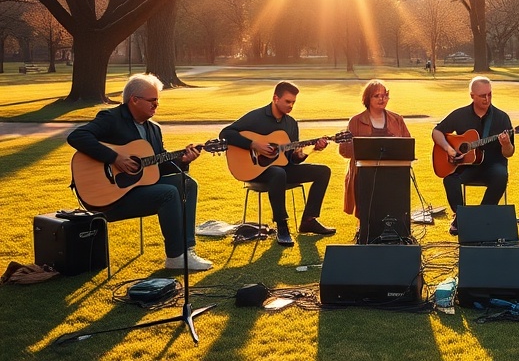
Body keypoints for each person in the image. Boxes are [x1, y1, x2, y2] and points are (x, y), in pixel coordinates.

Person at [66, 74, 213, 271]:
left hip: (136, 190)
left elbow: (155, 166)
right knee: (168, 193)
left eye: (158, 101)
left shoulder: (154, 129)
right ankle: (176, 257)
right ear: (134, 100)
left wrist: (181, 160)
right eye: (152, 101)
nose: (156, 105)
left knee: (187, 183)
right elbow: (77, 136)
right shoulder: (111, 118)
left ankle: (186, 251)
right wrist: (114, 158)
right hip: (109, 198)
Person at [220, 81, 335, 246]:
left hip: (283, 169)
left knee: (323, 171)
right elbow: (226, 133)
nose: (291, 106)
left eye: (294, 102)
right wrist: (254, 144)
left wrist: (308, 151)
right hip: (258, 171)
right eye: (288, 101)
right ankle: (282, 225)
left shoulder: (291, 123)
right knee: (277, 173)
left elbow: (291, 159)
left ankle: (309, 220)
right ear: (275, 98)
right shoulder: (257, 117)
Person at [432, 76, 514, 235]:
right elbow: (437, 132)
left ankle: (480, 216)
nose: (487, 98)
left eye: (490, 94)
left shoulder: (502, 118)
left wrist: (506, 144)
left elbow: (509, 153)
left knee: (501, 175)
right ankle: (460, 216)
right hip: (467, 166)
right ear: (472, 96)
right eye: (483, 95)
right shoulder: (460, 114)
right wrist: (449, 150)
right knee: (449, 178)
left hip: (493, 165)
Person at [338, 80, 412, 218]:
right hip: (365, 173)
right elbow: (345, 152)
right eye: (376, 96)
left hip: (393, 171)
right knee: (367, 208)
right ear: (367, 98)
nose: (382, 99)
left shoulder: (397, 119)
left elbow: (407, 145)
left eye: (384, 95)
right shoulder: (355, 121)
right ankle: (364, 228)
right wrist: (347, 143)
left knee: (394, 205)